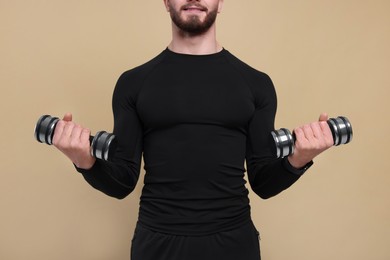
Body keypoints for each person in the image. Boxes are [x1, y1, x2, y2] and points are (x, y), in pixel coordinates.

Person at [52, 1, 334, 259]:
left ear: (220, 3)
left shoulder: (256, 83)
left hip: (233, 243)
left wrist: (299, 158)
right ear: (165, 2)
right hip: (157, 243)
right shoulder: (133, 83)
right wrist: (84, 160)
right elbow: (122, 182)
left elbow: (263, 182)